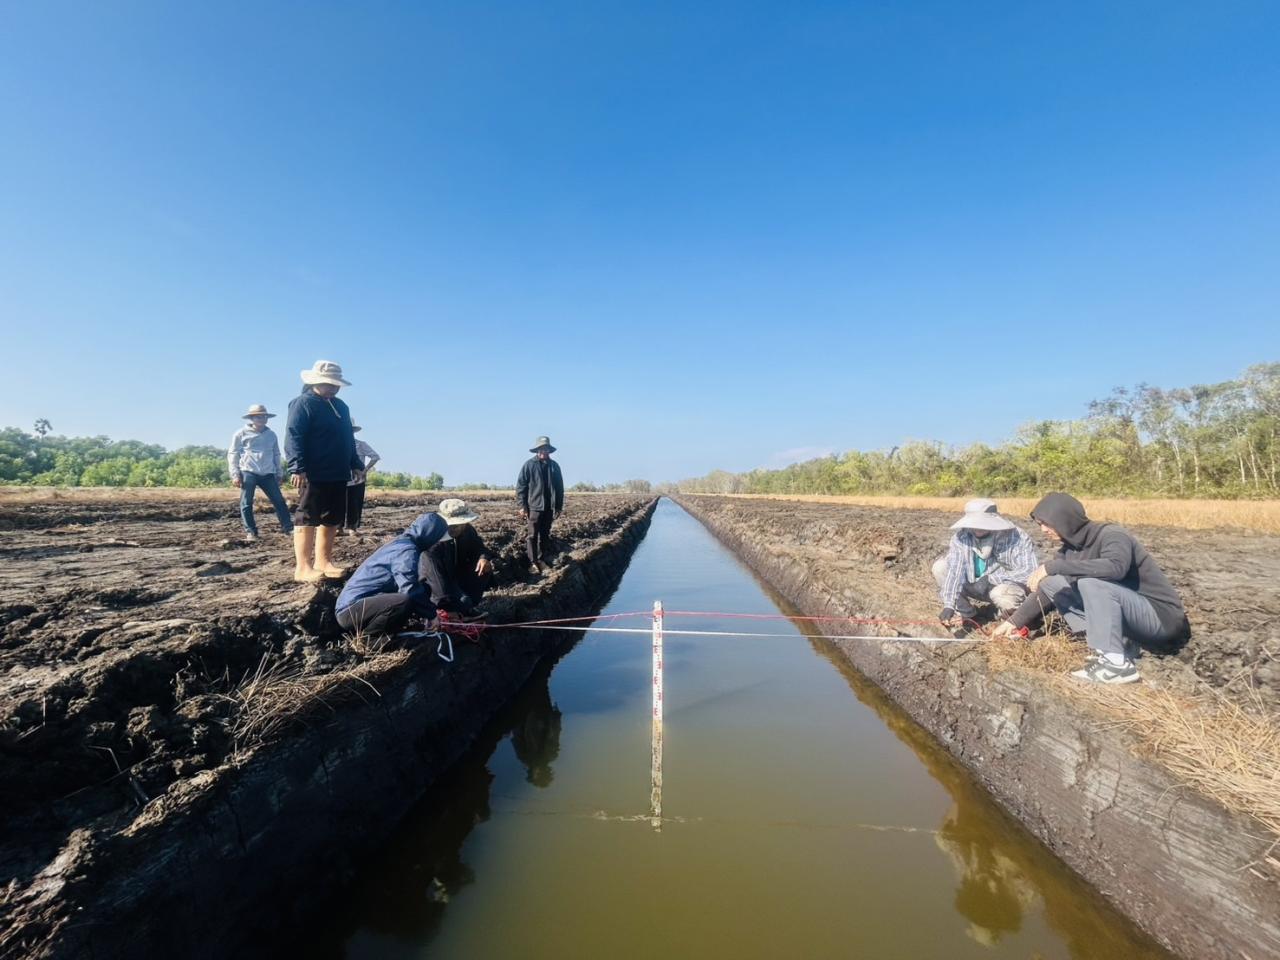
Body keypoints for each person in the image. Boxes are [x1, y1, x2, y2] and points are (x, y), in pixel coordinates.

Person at [992, 493, 1190, 684]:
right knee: (1050, 583)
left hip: (1160, 620)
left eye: (1046, 523)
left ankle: (1116, 668)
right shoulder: (1068, 551)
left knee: (1090, 583)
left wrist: (1054, 567)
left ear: (1064, 520)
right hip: (1131, 622)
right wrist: (1014, 622)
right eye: (1040, 524)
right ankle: (1108, 647)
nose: (1043, 529)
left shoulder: (1112, 535)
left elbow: (1115, 568)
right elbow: (1045, 593)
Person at [285, 360, 364, 583]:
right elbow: (294, 436)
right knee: (307, 516)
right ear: (315, 381)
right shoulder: (302, 403)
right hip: (313, 472)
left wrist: (355, 463)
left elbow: (348, 439)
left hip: (338, 471)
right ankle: (303, 567)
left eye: (335, 384)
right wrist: (297, 467)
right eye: (328, 383)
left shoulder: (341, 407)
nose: (333, 387)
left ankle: (324, 562)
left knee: (332, 518)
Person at [335, 513, 448, 636]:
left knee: (422, 588)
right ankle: (371, 638)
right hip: (350, 611)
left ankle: (393, 628)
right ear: (430, 536)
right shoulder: (406, 551)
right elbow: (408, 588)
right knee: (403, 600)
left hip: (360, 607)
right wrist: (431, 615)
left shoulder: (402, 542)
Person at [932, 499, 1037, 632]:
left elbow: (1029, 571)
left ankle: (1011, 618)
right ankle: (967, 614)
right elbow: (954, 572)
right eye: (974, 524)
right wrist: (949, 605)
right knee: (940, 567)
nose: (977, 528)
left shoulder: (1016, 536)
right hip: (974, 586)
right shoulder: (961, 537)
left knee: (1001, 595)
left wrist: (992, 579)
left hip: (1003, 588)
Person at [226, 404, 293, 542]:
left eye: (264, 416)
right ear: (251, 418)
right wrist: (235, 474)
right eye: (258, 416)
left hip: (268, 473)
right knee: (246, 503)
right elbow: (233, 453)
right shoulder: (241, 433)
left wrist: (279, 473)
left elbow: (276, 454)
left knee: (279, 501)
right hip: (248, 471)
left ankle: (288, 528)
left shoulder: (271, 434)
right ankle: (251, 532)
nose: (262, 419)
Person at [419, 498, 494, 620]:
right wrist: (449, 608)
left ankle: (466, 608)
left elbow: (480, 548)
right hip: (433, 585)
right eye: (450, 525)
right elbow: (436, 579)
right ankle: (449, 610)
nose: (453, 529)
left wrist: (483, 558)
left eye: (457, 525)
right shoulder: (433, 542)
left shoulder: (467, 530)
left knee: (484, 569)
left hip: (455, 576)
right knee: (458, 602)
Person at [516, 436, 564, 575]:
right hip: (534, 507)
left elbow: (559, 488)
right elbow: (521, 486)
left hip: (548, 507)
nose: (544, 451)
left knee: (545, 535)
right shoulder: (529, 465)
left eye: (546, 449)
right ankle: (533, 562)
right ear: (537, 450)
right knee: (532, 535)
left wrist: (558, 506)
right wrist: (522, 506)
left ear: (549, 450)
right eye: (541, 449)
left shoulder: (554, 466)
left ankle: (542, 560)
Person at [342, 424, 380, 535]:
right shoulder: (337, 444)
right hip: (340, 479)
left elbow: (375, 456)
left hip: (357, 479)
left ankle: (352, 528)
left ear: (353, 432)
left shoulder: (360, 445)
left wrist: (365, 470)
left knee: (355, 504)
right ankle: (338, 528)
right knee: (338, 504)